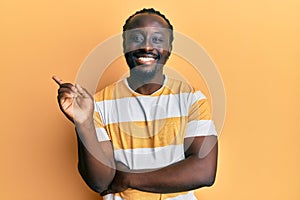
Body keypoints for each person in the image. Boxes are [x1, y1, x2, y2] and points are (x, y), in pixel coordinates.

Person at [53, 8, 218, 200]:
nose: (147, 47)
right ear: (125, 46)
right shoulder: (97, 105)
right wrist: (84, 124)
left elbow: (204, 171)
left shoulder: (191, 99)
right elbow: (99, 181)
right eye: (137, 38)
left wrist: (128, 179)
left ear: (169, 48)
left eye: (157, 39)